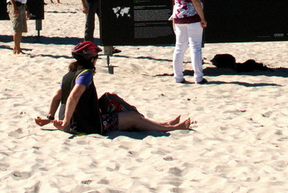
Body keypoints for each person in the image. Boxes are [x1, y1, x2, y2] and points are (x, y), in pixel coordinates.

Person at [37, 41, 191, 135]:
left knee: (109, 98)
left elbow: (58, 96)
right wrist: (65, 121)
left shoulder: (69, 74)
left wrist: (49, 118)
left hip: (72, 124)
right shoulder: (86, 74)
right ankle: (170, 128)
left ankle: (164, 124)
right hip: (86, 126)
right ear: (92, 59)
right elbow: (74, 96)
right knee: (132, 118)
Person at [169, 0, 207, 84]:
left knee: (179, 46)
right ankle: (198, 76)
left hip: (178, 15)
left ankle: (178, 76)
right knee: (195, 46)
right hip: (192, 15)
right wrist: (202, 17)